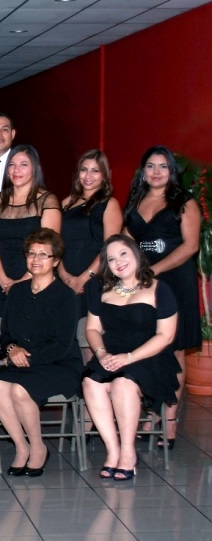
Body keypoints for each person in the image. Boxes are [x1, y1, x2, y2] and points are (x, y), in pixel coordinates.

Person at [83, 234, 179, 480]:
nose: (118, 262)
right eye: (111, 259)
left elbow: (166, 336)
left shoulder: (160, 288)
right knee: (91, 383)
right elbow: (92, 329)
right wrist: (101, 353)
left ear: (136, 253)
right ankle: (112, 450)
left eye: (123, 254)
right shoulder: (101, 289)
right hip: (111, 353)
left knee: (122, 385)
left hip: (150, 356)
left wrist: (129, 357)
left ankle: (128, 451)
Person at [123, 145, 201, 448]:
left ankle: (169, 421)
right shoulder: (135, 200)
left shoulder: (184, 202)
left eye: (163, 166)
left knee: (174, 349)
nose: (156, 172)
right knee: (149, 348)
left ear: (172, 171)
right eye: (151, 166)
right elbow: (126, 241)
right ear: (143, 171)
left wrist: (153, 270)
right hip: (144, 285)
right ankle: (152, 413)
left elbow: (190, 246)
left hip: (175, 282)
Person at [0, 229, 82, 477]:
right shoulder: (17, 292)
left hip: (59, 363)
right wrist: (12, 349)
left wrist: (23, 358)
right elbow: (5, 334)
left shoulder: (66, 296)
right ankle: (22, 447)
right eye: (31, 253)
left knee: (20, 390)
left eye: (43, 254)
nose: (36, 259)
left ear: (56, 260)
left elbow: (62, 344)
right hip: (22, 361)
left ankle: (38, 447)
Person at [0, 144, 61, 314]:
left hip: (36, 279)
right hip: (1, 281)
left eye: (23, 164)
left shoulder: (47, 200)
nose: (16, 170)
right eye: (12, 164)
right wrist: (3, 280)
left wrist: (23, 281)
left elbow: (50, 247)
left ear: (35, 169)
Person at [59, 150, 123, 319]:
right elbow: (55, 243)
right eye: (84, 169)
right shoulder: (65, 203)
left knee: (89, 330)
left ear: (105, 175)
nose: (88, 176)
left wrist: (83, 278)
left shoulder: (110, 204)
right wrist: (64, 275)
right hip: (64, 277)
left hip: (94, 279)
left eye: (95, 170)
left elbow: (110, 248)